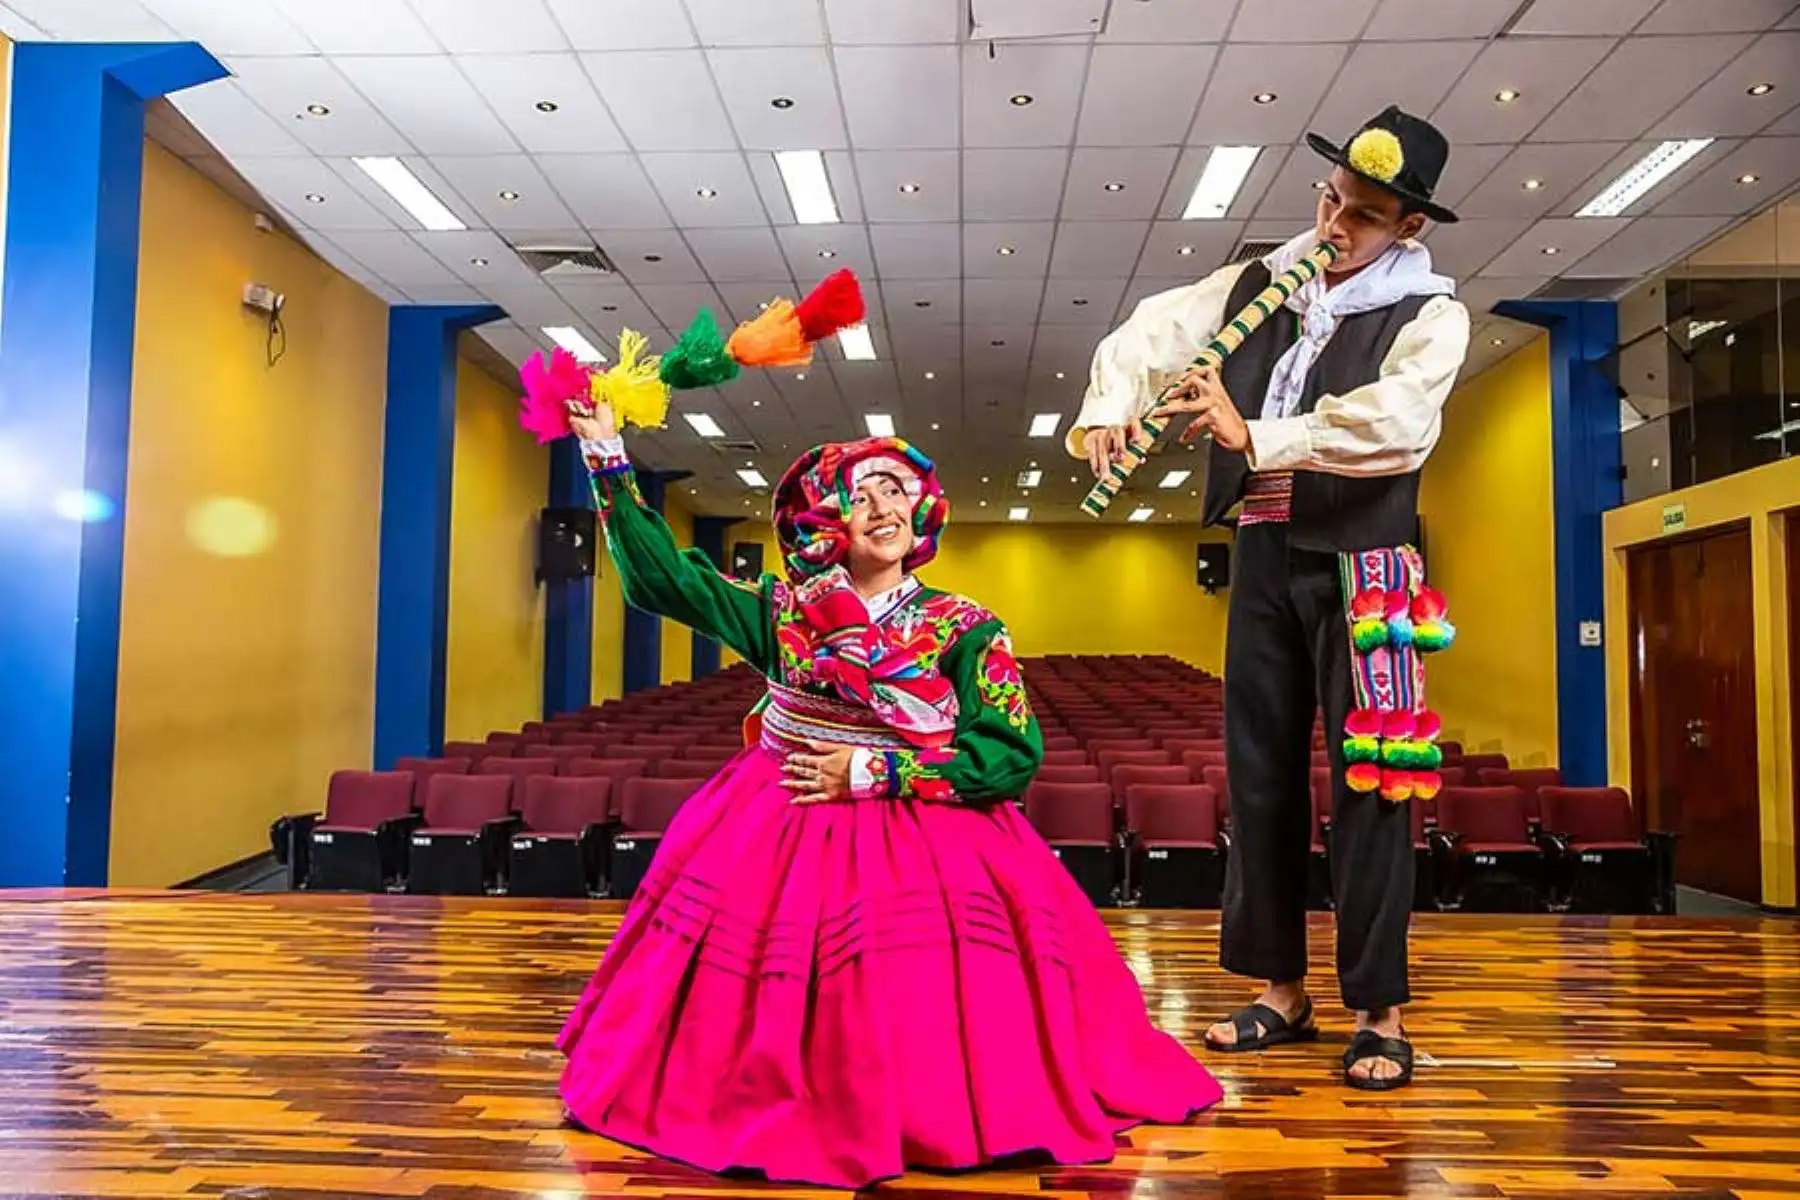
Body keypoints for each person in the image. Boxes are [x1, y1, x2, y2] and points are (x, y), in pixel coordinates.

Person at [554, 399, 1222, 1189]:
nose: (883, 507)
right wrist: (605, 456)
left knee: (920, 1002)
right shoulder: (783, 611)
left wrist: (873, 772)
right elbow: (660, 581)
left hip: (925, 829)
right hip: (779, 815)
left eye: (898, 491)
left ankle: (926, 1112)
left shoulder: (966, 627)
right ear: (826, 519)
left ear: (923, 512)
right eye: (862, 492)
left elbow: (1007, 756)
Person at [1068, 106, 1472, 1091]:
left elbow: (1400, 425)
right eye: (1332, 200)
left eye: (1366, 215)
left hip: (1368, 560)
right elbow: (1151, 329)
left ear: (1408, 227)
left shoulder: (1431, 313)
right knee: (1256, 774)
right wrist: (1108, 413)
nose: (1338, 225)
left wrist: (1260, 436)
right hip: (1263, 546)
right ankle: (1279, 988)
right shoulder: (1258, 280)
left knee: (1377, 784)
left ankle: (1379, 1008)